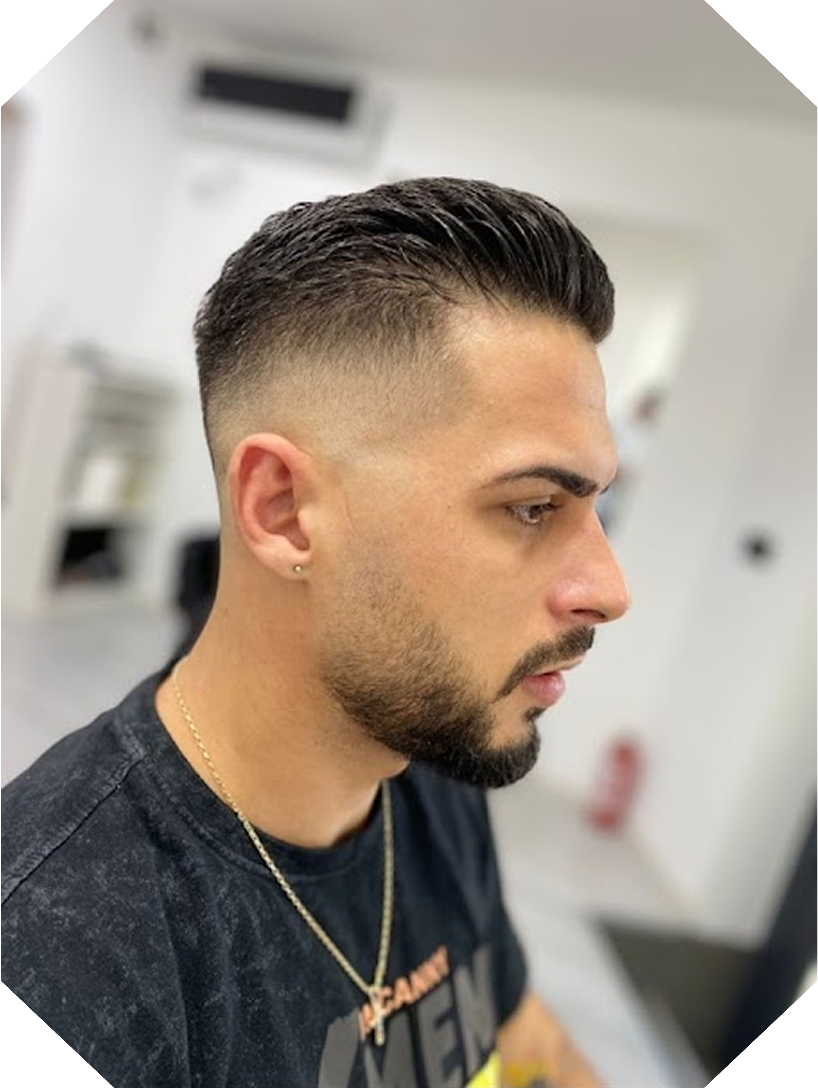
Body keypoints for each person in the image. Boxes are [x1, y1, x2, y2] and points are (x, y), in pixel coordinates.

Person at [2, 178, 630, 1088]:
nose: (609, 589)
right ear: (284, 511)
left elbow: (525, 1033)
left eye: (594, 507)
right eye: (534, 506)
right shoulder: (57, 956)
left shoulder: (432, 767)